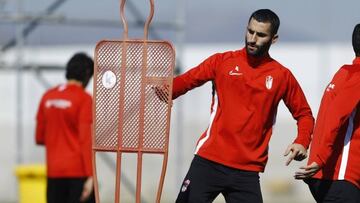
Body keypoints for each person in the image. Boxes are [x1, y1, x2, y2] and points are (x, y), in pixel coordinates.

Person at [171, 9, 314, 203]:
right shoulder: (221, 61)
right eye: (250, 31)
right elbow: (185, 82)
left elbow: (304, 114)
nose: (253, 39)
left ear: (274, 39)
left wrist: (302, 141)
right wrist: (158, 89)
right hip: (208, 161)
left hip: (246, 172)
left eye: (261, 35)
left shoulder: (282, 76)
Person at [295, 24, 360, 203]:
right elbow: (334, 116)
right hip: (340, 177)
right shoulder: (357, 76)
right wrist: (320, 158)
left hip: (334, 177)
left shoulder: (345, 72)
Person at [35, 53, 95, 203]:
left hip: (53, 172)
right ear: (87, 74)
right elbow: (85, 139)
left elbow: (39, 137)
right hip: (77, 172)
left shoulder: (47, 96)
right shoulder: (84, 99)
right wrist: (90, 175)